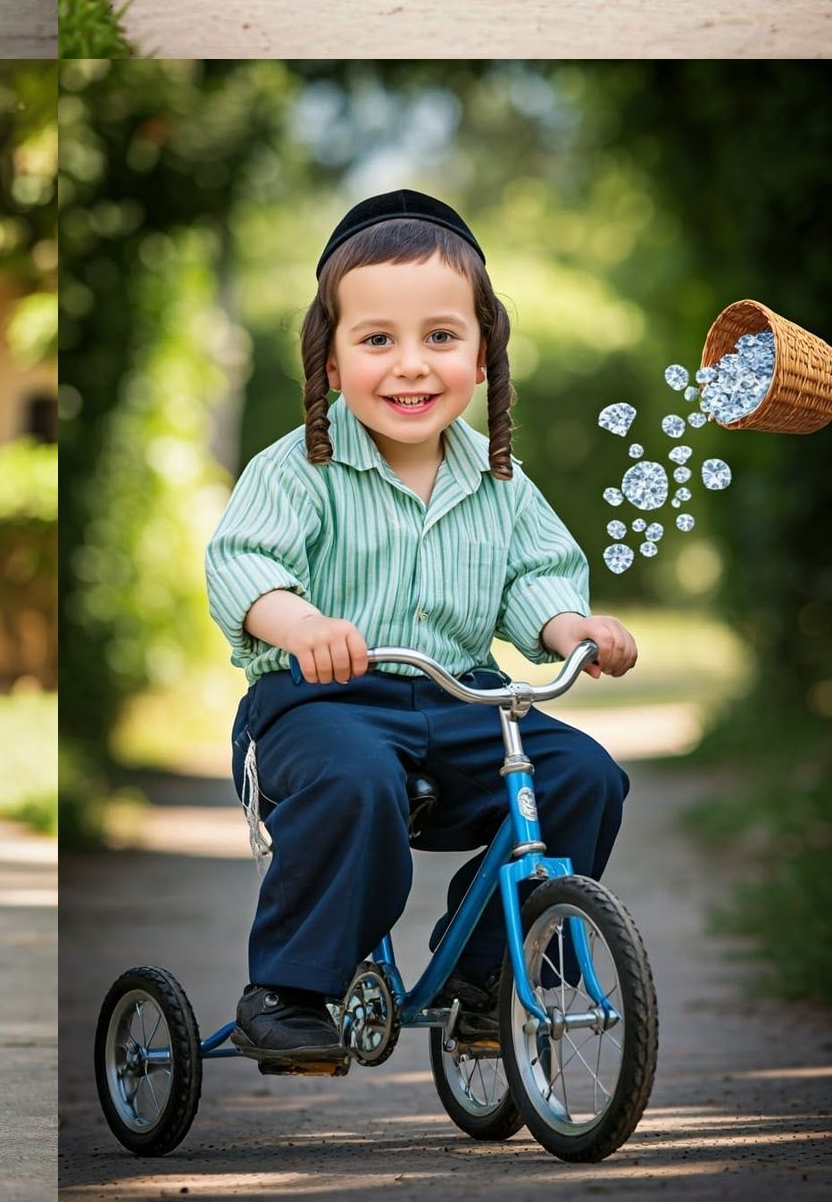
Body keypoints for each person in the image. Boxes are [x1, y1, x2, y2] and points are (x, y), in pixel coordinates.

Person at [205, 188, 636, 1065]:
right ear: (329, 362)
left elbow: (535, 578)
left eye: (441, 337)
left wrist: (571, 628)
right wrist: (301, 625)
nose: (411, 366)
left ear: (484, 358)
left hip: (460, 698)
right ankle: (286, 988)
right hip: (321, 702)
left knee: (585, 776)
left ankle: (487, 978)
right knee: (357, 777)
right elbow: (243, 565)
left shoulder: (503, 481)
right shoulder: (297, 470)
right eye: (376, 341)